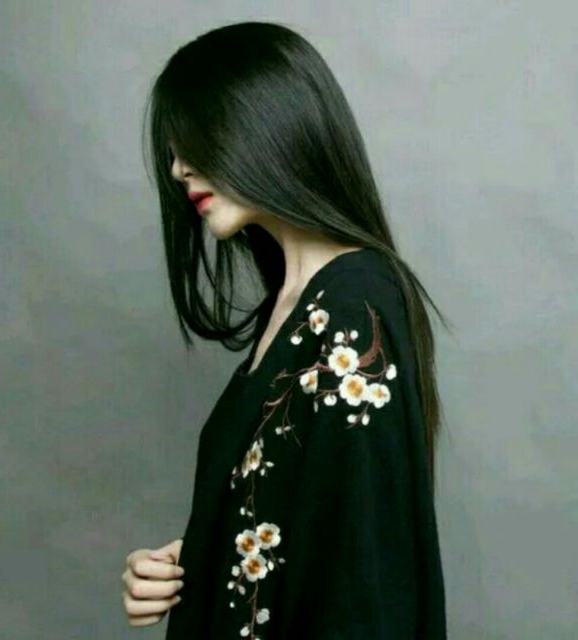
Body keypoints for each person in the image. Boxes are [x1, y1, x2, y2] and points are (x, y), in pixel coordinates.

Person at [122, 20, 451, 638]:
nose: (178, 168)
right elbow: (302, 521)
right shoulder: (298, 305)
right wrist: (193, 561)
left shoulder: (353, 308)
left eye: (195, 140)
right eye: (173, 150)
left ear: (265, 125)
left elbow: (361, 581)